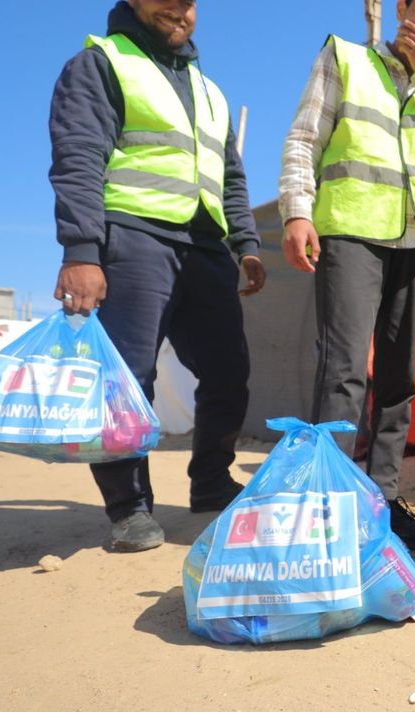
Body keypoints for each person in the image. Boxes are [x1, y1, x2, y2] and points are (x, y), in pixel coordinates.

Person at [49, 0, 266, 553]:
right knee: (129, 379)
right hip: (133, 237)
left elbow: (231, 178)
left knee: (228, 371)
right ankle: (129, 510)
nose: (182, 8)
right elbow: (78, 156)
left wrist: (244, 244)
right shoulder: (102, 62)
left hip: (204, 245)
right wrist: (81, 251)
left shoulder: (210, 91)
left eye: (192, 1)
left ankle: (212, 483)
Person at [278, 0, 415, 553]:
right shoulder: (345, 58)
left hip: (414, 243)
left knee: (399, 377)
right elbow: (303, 138)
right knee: (344, 370)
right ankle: (329, 505)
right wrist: (297, 210)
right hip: (350, 232)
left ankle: (382, 502)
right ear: (399, 11)